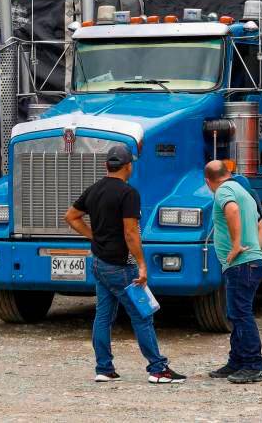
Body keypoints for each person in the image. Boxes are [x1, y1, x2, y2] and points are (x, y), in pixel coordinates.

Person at [65, 144, 185, 384]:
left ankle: (104, 368)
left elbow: (71, 216)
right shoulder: (128, 193)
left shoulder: (94, 189)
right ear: (128, 166)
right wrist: (142, 264)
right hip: (121, 265)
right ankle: (158, 369)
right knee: (142, 315)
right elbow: (131, 232)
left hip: (99, 262)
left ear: (106, 166)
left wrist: (93, 236)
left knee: (103, 316)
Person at [204, 159, 262, 384]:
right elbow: (261, 224)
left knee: (241, 314)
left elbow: (231, 210)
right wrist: (256, 249)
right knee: (236, 313)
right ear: (228, 172)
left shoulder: (224, 191)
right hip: (251, 262)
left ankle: (253, 365)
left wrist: (237, 244)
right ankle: (237, 361)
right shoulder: (243, 190)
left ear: (208, 181)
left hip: (241, 264)